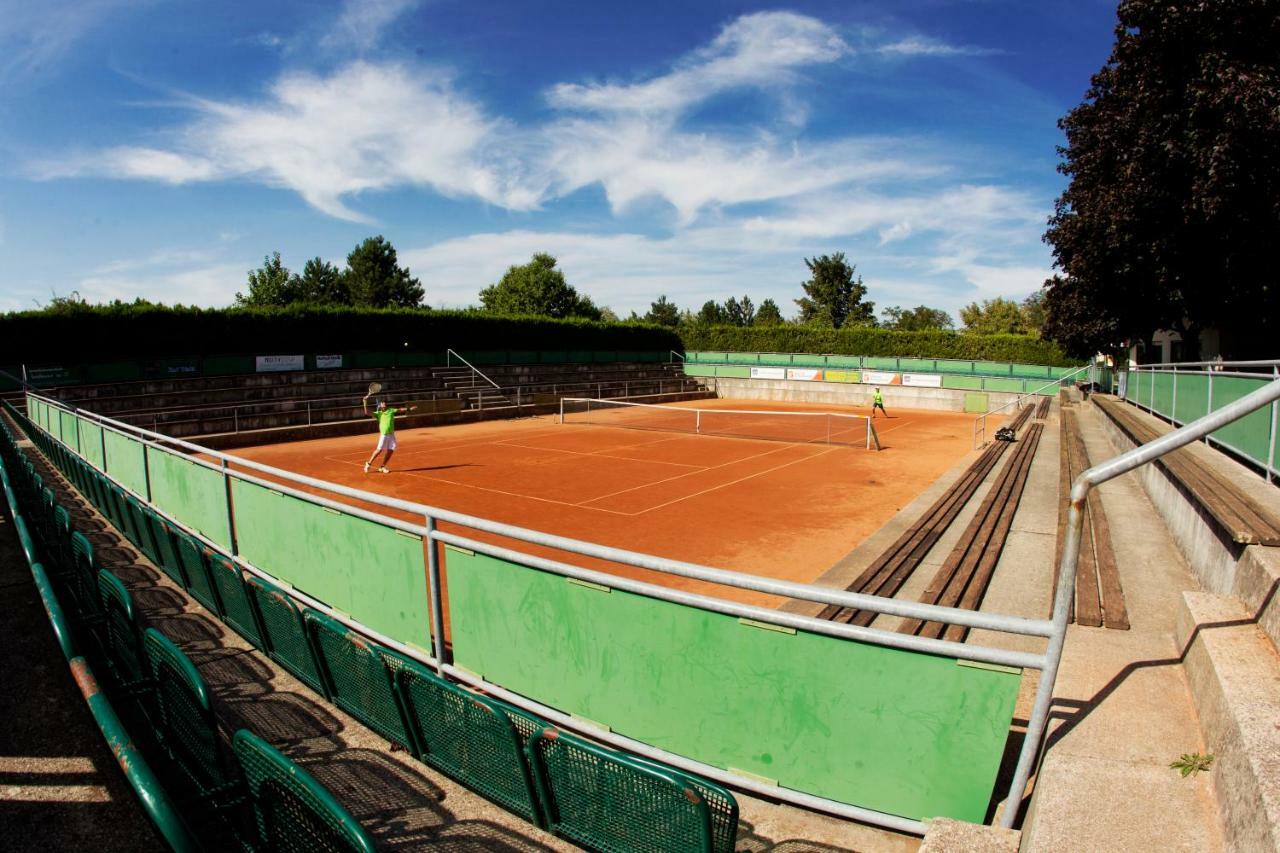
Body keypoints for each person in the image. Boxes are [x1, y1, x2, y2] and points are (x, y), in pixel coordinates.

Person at [363, 397, 417, 473]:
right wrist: (364, 402)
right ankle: (368, 463)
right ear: (380, 405)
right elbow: (366, 412)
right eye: (382, 403)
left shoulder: (390, 410)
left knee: (391, 449)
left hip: (391, 434)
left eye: (385, 403)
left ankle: (382, 466)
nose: (384, 404)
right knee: (379, 450)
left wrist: (409, 409)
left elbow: (400, 409)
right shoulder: (378, 414)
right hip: (384, 435)